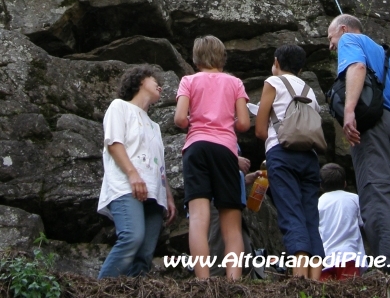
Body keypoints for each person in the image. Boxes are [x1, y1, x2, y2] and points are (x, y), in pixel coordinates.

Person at [327, 14, 390, 270]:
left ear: (342, 29)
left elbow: (357, 68)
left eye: (330, 38)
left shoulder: (349, 39)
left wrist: (349, 110)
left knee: (376, 195)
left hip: (373, 126)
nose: (331, 45)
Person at [174, 35, 250, 280]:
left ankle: (203, 280)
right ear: (222, 57)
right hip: (225, 150)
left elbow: (179, 119)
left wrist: (193, 121)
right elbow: (245, 124)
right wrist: (228, 121)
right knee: (231, 220)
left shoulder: (188, 81)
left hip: (195, 147)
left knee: (198, 217)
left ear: (196, 58)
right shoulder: (235, 83)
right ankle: (233, 280)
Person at [97, 66, 176, 279]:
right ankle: (99, 291)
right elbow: (114, 143)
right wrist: (133, 175)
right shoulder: (119, 107)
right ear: (140, 81)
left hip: (154, 194)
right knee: (132, 237)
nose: (159, 84)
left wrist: (167, 195)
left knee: (144, 254)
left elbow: (159, 164)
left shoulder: (155, 126)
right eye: (153, 79)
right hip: (125, 186)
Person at [255, 44, 325, 280]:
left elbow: (260, 128)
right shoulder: (310, 91)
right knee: (310, 217)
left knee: (290, 213)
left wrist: (270, 143)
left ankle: (299, 279)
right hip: (309, 157)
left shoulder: (272, 83)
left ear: (276, 62)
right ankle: (315, 280)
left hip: (281, 153)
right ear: (301, 67)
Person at [318, 163, 365, 281]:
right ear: (345, 183)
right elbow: (363, 223)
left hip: (326, 258)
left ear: (321, 185)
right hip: (349, 255)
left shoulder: (318, 203)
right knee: (350, 291)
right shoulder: (354, 199)